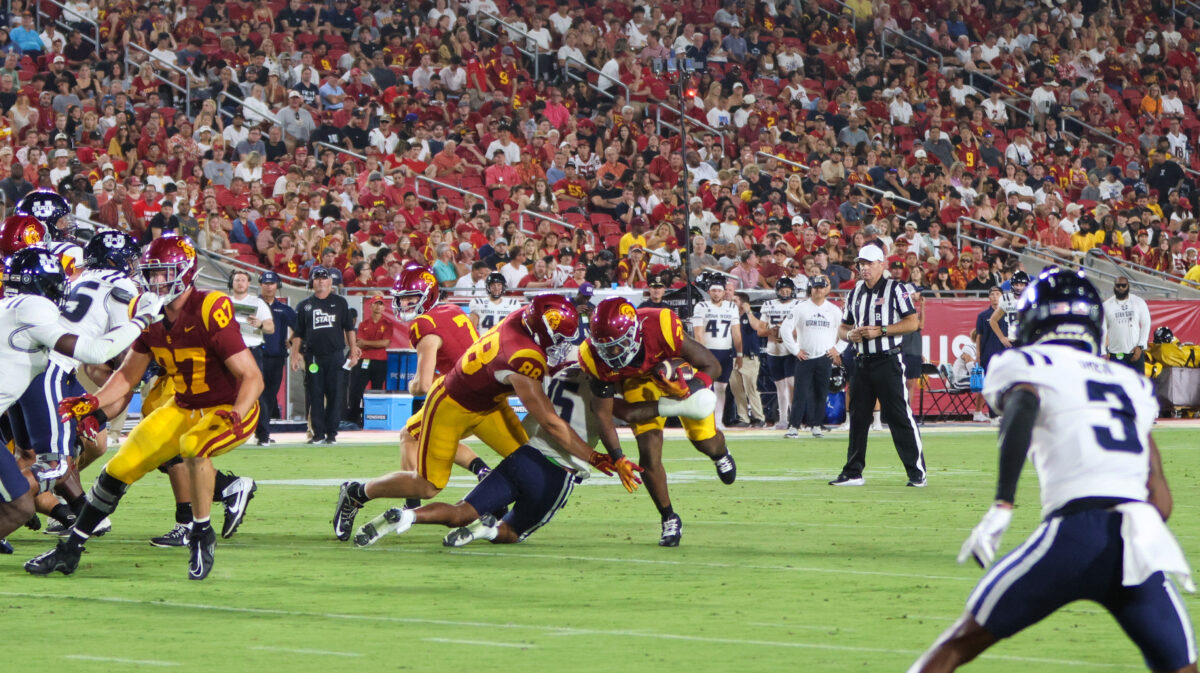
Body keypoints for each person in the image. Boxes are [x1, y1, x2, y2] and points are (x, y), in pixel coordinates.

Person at [909, 269, 1196, 673]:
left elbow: (1023, 403)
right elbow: (1161, 500)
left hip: (1073, 533)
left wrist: (1003, 505)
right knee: (1182, 668)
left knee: (959, 644)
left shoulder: (1024, 360)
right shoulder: (1130, 383)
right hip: (1137, 542)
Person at [30, 236, 263, 580]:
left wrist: (238, 412)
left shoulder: (210, 306)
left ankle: (200, 532)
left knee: (193, 447)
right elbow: (127, 375)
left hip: (228, 406)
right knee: (118, 468)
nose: (157, 282)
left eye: (164, 273)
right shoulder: (147, 311)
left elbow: (253, 377)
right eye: (151, 274)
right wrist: (94, 401)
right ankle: (71, 547)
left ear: (185, 272)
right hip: (183, 406)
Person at [333, 295, 604, 544]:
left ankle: (490, 507)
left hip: (489, 402)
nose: (560, 345)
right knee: (428, 485)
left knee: (527, 457)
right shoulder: (523, 357)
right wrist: (593, 457)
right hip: (452, 406)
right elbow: (550, 421)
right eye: (555, 338)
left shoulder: (523, 317)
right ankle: (357, 493)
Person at [353, 365, 711, 548]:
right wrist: (676, 403)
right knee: (512, 532)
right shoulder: (603, 390)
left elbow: (532, 414)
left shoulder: (555, 372)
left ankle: (409, 515)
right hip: (557, 474)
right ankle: (487, 533)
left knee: (462, 510)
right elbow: (628, 414)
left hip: (523, 456)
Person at [0, 248, 156, 554]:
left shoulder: (8, 306)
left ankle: (70, 510)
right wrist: (142, 320)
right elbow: (95, 353)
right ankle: (76, 511)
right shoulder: (32, 307)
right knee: (51, 468)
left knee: (20, 504)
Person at [332, 267, 493, 540]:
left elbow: (423, 385)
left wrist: (412, 385)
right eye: (402, 298)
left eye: (410, 298)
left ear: (427, 295)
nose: (403, 304)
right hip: (485, 394)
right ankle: (485, 473)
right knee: (428, 435)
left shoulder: (425, 324)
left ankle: (385, 496)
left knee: (414, 443)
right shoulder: (454, 310)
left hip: (461, 399)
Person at [581, 297, 733, 547]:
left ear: (635, 332)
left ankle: (720, 454)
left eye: (618, 345)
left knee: (705, 442)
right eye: (605, 347)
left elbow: (712, 365)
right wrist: (617, 457)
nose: (612, 353)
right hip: (638, 383)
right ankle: (669, 517)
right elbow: (603, 414)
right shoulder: (593, 355)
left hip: (675, 376)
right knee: (649, 455)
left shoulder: (660, 325)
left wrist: (689, 388)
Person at [829, 244, 927, 487]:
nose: (864, 268)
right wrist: (850, 334)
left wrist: (881, 330)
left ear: (881, 264)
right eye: (861, 263)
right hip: (861, 361)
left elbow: (912, 322)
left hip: (888, 360)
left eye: (870, 263)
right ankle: (853, 471)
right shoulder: (854, 293)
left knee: (898, 416)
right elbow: (842, 327)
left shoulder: (897, 288)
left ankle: (917, 472)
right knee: (858, 418)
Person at [290, 266, 359, 445]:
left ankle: (332, 433)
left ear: (330, 282)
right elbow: (298, 333)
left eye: (324, 278)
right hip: (313, 356)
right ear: (312, 282)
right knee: (315, 395)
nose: (320, 281)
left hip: (336, 355)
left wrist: (353, 349)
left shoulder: (340, 302)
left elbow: (349, 328)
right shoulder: (305, 305)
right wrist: (295, 354)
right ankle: (318, 433)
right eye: (317, 278)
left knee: (336, 395)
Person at [781, 275, 842, 438]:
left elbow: (846, 331)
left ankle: (816, 425)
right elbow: (785, 329)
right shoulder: (801, 308)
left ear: (826, 289)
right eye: (815, 287)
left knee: (821, 392)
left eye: (821, 287)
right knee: (800, 393)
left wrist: (838, 349)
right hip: (805, 357)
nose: (818, 290)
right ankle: (794, 426)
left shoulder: (834, 310)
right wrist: (795, 350)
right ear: (811, 289)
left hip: (824, 356)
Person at [691, 273, 742, 430]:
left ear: (723, 292)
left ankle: (718, 421)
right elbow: (698, 333)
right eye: (713, 290)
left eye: (719, 291)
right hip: (708, 352)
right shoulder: (701, 306)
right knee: (706, 388)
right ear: (709, 291)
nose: (716, 293)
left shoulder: (731, 307)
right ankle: (707, 420)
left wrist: (739, 353)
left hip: (725, 352)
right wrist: (703, 354)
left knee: (721, 388)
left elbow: (736, 332)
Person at [256, 271, 295, 445]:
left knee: (270, 396)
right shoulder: (253, 305)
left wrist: (292, 341)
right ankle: (263, 433)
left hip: (277, 357)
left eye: (272, 283)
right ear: (260, 285)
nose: (268, 286)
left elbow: (298, 326)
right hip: (257, 355)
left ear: (277, 286)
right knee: (260, 395)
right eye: (265, 283)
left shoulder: (284, 309)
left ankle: (262, 431)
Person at [758, 277, 799, 432]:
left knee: (791, 384)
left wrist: (785, 333)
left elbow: (801, 328)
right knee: (780, 387)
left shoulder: (797, 305)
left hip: (790, 349)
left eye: (788, 290)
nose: (785, 293)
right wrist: (772, 330)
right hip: (774, 350)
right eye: (783, 290)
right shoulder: (769, 305)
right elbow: (760, 330)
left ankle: (795, 419)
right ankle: (783, 419)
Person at [346, 297, 393, 426]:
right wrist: (375, 344)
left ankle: (376, 419)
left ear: (384, 307)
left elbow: (385, 343)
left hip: (380, 361)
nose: (378, 307)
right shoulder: (363, 324)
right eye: (375, 304)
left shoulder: (388, 325)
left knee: (377, 391)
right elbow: (359, 344)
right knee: (356, 391)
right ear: (370, 306)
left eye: (381, 304)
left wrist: (367, 343)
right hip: (363, 361)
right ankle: (353, 421)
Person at [730, 291, 765, 427]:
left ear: (743, 303)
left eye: (735, 301)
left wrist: (748, 311)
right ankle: (743, 418)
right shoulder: (731, 317)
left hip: (749, 357)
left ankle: (759, 417)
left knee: (751, 388)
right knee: (737, 389)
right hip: (733, 357)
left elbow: (757, 327)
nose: (732, 303)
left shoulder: (753, 315)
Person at [1103, 276, 1152, 374]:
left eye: (1123, 285)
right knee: (1118, 386)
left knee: (1137, 385)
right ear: (1114, 287)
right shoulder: (1106, 305)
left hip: (1135, 352)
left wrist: (1141, 346)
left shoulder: (1138, 302)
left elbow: (1146, 323)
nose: (1120, 288)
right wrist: (1103, 352)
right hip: (1116, 353)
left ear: (1128, 286)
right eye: (1118, 286)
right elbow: (1102, 329)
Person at [972, 286, 1006, 422]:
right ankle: (993, 414)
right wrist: (978, 354)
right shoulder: (983, 316)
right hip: (988, 354)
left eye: (997, 294)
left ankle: (1003, 412)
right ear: (988, 297)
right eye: (992, 294)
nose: (995, 297)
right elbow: (979, 336)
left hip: (1004, 354)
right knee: (990, 385)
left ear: (1002, 297)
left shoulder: (1008, 314)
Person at [987, 270, 1030, 351]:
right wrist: (1002, 338)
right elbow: (993, 320)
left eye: (1021, 285)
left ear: (1026, 286)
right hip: (1012, 342)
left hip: (1028, 341)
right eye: (1016, 284)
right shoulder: (1006, 299)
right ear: (1012, 285)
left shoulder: (1031, 300)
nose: (1019, 287)